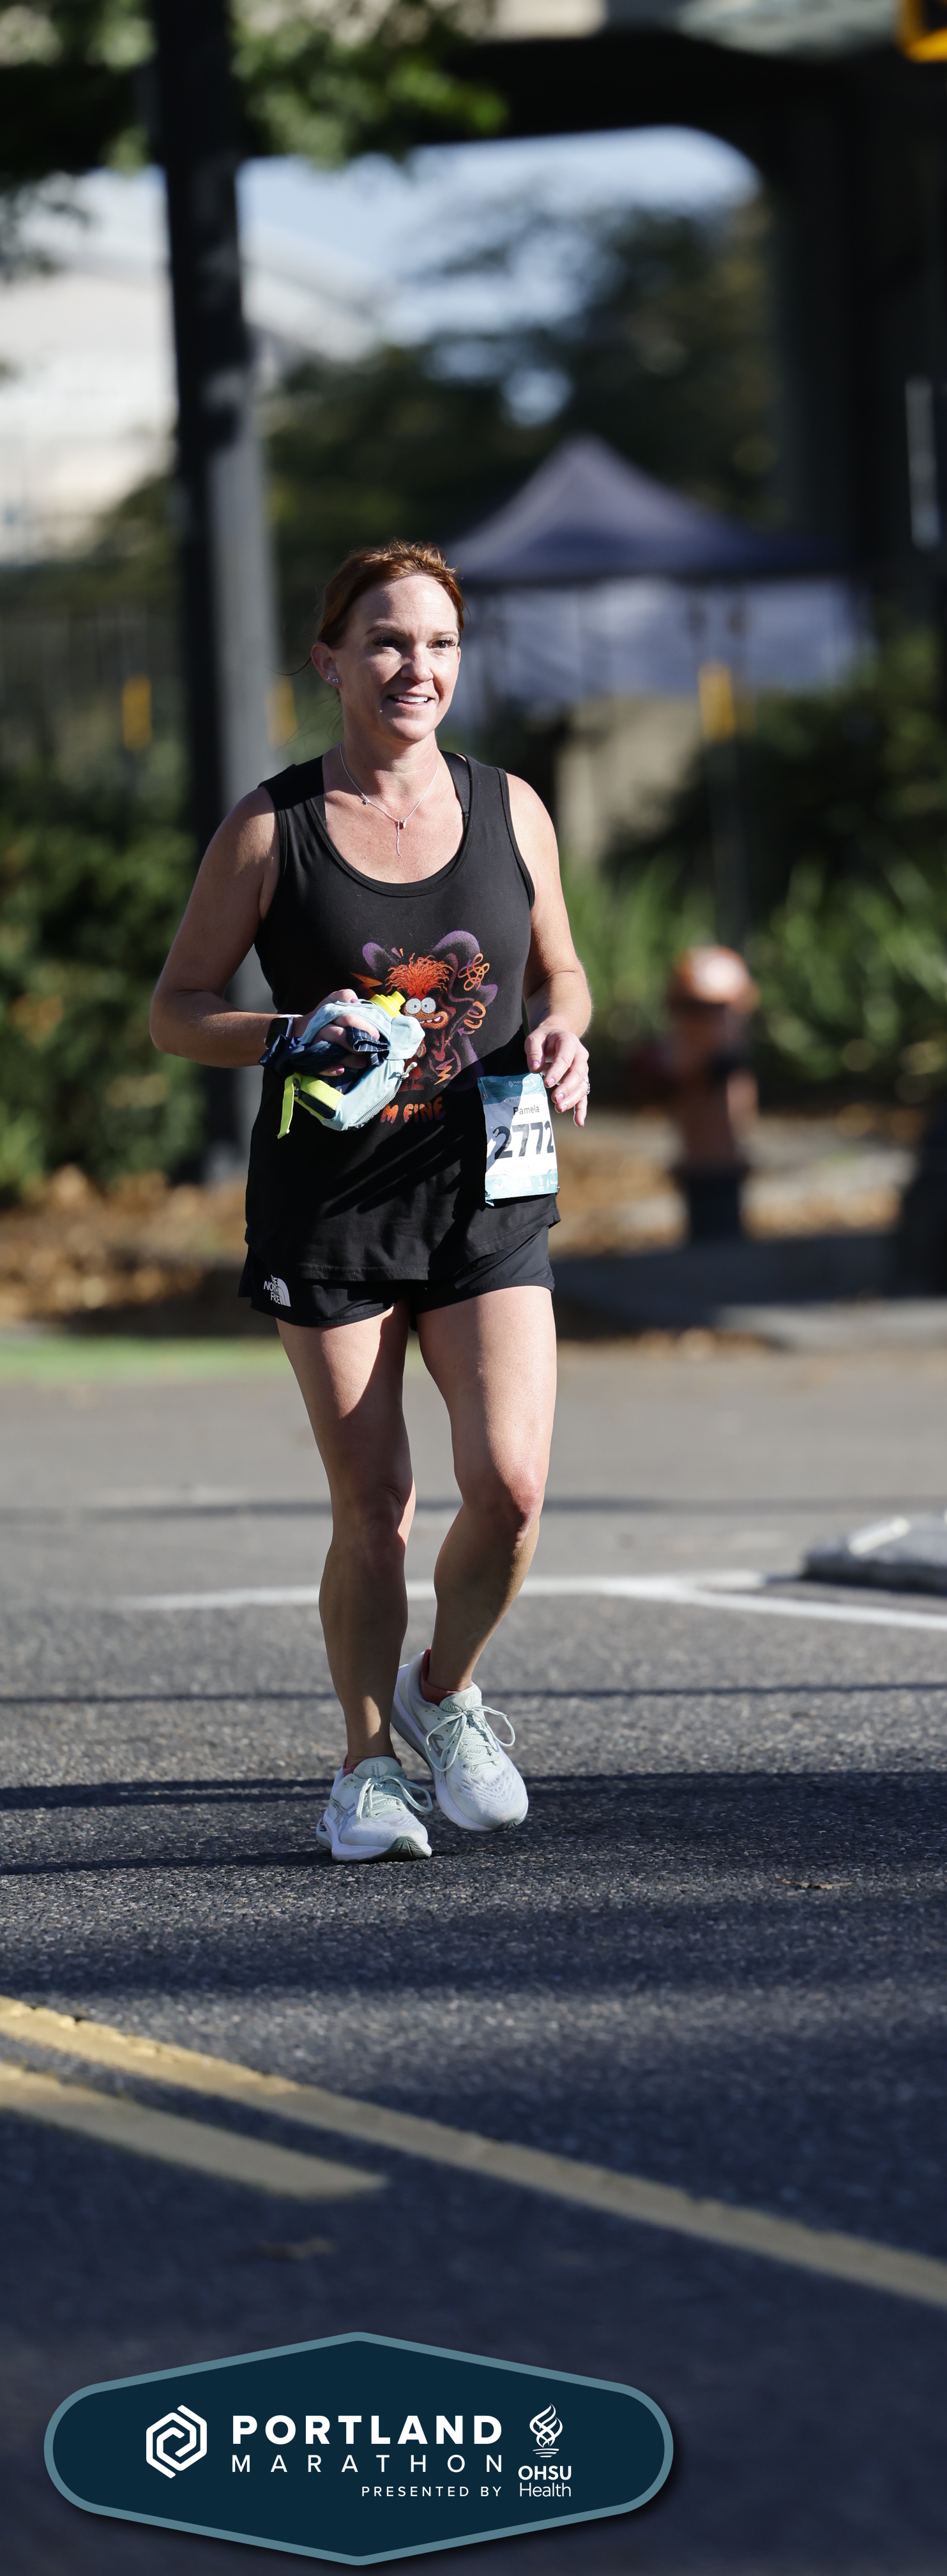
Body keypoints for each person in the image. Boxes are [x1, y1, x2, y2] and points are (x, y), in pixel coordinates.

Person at [151, 541, 593, 1859]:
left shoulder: (512, 807)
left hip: (488, 1193)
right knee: (377, 1507)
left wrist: (565, 1031)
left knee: (511, 1488)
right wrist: (290, 1032)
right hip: (331, 1210)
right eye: (389, 641)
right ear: (329, 659)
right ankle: (364, 1770)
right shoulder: (270, 826)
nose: (418, 667)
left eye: (441, 644)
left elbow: (563, 972)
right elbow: (177, 1011)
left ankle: (443, 1692)